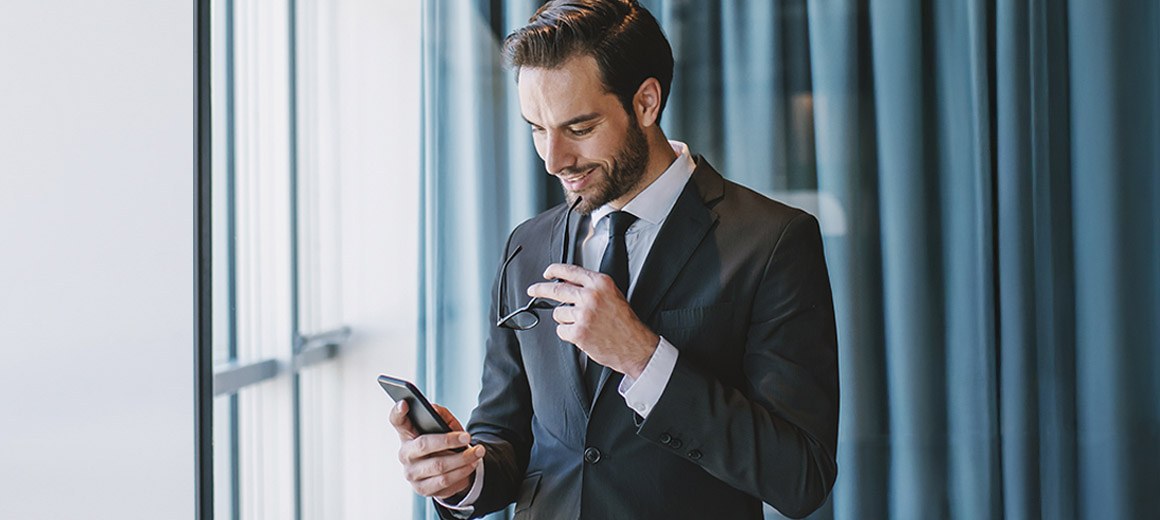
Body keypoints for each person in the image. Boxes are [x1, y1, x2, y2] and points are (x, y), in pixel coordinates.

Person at [389, 1, 839, 518]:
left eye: (579, 128)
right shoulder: (527, 245)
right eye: (537, 128)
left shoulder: (772, 241)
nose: (553, 160)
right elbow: (509, 437)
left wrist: (642, 358)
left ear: (646, 102)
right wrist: (462, 475)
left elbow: (801, 477)